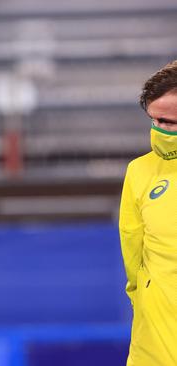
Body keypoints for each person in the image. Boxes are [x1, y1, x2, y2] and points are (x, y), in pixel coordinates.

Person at [119, 60, 177, 366]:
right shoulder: (139, 171)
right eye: (154, 120)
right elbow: (133, 252)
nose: (158, 130)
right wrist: (144, 299)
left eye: (169, 122)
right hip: (152, 342)